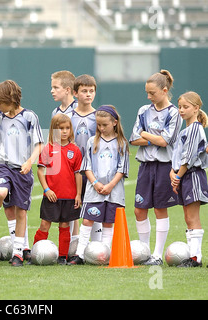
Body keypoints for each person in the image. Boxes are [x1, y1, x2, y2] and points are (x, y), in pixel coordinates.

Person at [0, 80, 44, 267]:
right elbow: (0, 145)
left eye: (0, 101)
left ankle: (18, 253)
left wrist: (30, 161)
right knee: (0, 192)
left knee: (21, 213)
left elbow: (40, 144)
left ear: (11, 100)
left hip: (22, 170)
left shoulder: (29, 117)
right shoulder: (1, 118)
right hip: (4, 166)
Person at [129, 69, 182, 266]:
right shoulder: (143, 111)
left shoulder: (174, 113)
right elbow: (134, 139)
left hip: (164, 166)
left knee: (160, 209)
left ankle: (157, 255)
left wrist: (147, 134)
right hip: (145, 166)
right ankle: (144, 253)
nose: (149, 97)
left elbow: (165, 141)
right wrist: (154, 138)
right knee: (139, 210)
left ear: (165, 90)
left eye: (152, 93)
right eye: (147, 93)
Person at [68, 105, 129, 265]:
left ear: (114, 122)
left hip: (114, 191)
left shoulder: (122, 143)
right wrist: (95, 183)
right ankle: (79, 254)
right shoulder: (91, 141)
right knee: (87, 220)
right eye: (98, 125)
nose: (101, 128)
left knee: (108, 222)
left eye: (105, 125)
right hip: (93, 190)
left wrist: (110, 185)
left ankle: (105, 254)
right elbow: (86, 166)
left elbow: (122, 169)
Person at [34, 113, 82, 265]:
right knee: (44, 225)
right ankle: (36, 253)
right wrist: (47, 189)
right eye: (61, 128)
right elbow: (40, 171)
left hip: (69, 196)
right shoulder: (48, 149)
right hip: (51, 195)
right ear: (54, 130)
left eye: (67, 128)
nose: (65, 131)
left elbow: (78, 174)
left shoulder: (75, 150)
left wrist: (78, 194)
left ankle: (62, 257)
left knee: (65, 225)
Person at [170, 91, 208, 267]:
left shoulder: (195, 128)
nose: (181, 110)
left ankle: (195, 258)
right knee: (187, 216)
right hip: (184, 175)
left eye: (186, 107)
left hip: (192, 175)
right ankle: (193, 256)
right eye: (180, 107)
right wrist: (173, 172)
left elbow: (189, 156)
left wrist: (178, 175)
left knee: (193, 217)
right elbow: (177, 155)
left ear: (196, 108)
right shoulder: (186, 129)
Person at [71, 74, 102, 242]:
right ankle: (73, 245)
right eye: (84, 91)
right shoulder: (67, 116)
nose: (88, 94)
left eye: (91, 91)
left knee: (93, 206)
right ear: (75, 93)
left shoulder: (99, 117)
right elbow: (56, 144)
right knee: (72, 207)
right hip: (72, 170)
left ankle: (97, 247)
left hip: (92, 171)